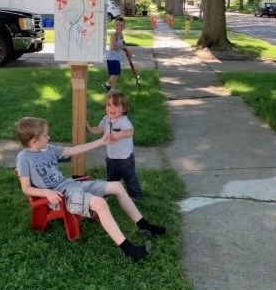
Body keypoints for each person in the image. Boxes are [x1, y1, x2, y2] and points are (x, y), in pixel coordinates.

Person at [15, 117, 167, 262]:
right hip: (60, 196)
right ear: (34, 140)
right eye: (45, 135)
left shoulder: (48, 149)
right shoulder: (24, 158)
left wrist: (101, 142)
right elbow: (26, 188)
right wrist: (46, 192)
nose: (48, 137)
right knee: (100, 203)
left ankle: (145, 226)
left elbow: (75, 150)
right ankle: (129, 250)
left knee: (117, 186)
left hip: (72, 185)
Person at [86, 90, 144, 201]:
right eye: (109, 105)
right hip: (111, 157)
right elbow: (98, 130)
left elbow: (130, 132)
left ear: (124, 109)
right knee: (111, 178)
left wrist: (120, 134)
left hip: (125, 159)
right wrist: (89, 128)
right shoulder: (106, 119)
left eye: (116, 105)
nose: (111, 108)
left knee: (130, 178)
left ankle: (137, 196)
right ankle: (109, 192)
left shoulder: (123, 121)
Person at [102, 16, 131, 92]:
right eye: (117, 25)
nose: (119, 27)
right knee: (116, 74)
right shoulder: (114, 36)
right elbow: (112, 47)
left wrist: (127, 51)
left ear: (124, 26)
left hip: (116, 58)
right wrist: (122, 46)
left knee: (117, 73)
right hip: (112, 59)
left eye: (121, 25)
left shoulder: (121, 36)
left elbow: (123, 45)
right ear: (114, 26)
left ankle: (107, 84)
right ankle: (112, 89)